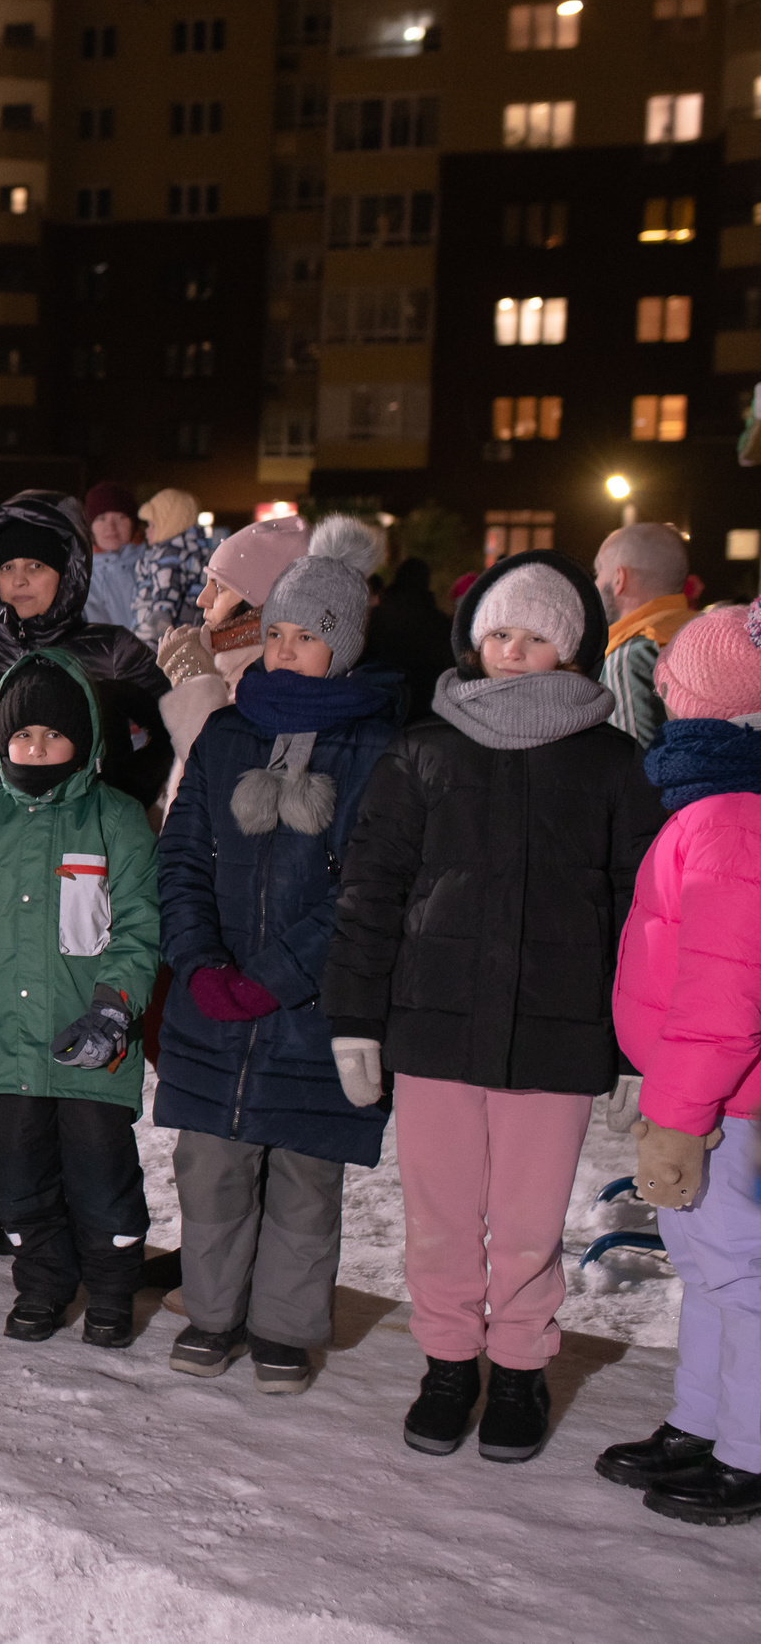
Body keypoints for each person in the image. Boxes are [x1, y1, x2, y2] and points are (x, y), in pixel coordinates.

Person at [323, 550, 666, 1463]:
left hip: (556, 1033)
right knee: (438, 1216)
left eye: (538, 635)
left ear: (572, 646)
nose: (515, 650)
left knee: (526, 1224)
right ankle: (446, 1362)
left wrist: (638, 1043)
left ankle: (518, 1367)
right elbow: (372, 888)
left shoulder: (611, 762)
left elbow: (644, 911)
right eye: (500, 633)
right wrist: (354, 1016)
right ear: (476, 643)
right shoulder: (424, 749)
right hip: (434, 1023)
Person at [154, 541, 400, 1394]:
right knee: (212, 1170)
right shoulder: (227, 731)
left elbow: (370, 887)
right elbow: (181, 854)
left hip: (312, 1011)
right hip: (212, 999)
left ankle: (286, 1330)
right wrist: (198, 961)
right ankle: (213, 1312)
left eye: (308, 636)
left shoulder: (375, 748)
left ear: (347, 645)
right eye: (280, 631)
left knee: (304, 1176)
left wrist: (281, 973)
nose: (287, 648)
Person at [0, 649, 161, 1346]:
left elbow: (140, 924)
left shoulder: (115, 818)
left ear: (83, 739)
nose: (37, 747)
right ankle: (44, 1284)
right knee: (20, 1179)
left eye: (54, 735)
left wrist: (112, 1008)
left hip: (88, 1045)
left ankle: (111, 1292)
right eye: (22, 735)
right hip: (6, 1040)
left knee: (100, 1177)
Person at [599, 602, 761, 1526]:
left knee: (742, 1274)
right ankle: (701, 1422)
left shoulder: (734, 819)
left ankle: (748, 1452)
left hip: (733, 1106)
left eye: (675, 682)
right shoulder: (712, 803)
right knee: (705, 1266)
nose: (659, 691)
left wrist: (682, 1111)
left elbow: (725, 993)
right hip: (702, 1098)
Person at [0, 491, 169, 803]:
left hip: (84, 839)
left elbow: (171, 729)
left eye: (35, 566)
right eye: (7, 567)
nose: (19, 580)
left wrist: (127, 794)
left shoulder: (113, 648)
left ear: (66, 575)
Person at [150, 515, 354, 814]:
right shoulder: (225, 663)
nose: (202, 599)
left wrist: (193, 678)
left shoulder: (277, 677)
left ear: (260, 601)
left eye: (219, 587)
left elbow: (222, 770)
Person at [593, 522, 696, 748]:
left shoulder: (629, 655)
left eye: (599, 572)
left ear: (619, 579)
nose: (596, 583)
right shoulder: (703, 633)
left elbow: (632, 766)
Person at [362, 557, 456, 727]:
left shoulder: (378, 617)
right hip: (426, 710)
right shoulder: (438, 622)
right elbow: (447, 664)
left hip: (380, 704)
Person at [132, 487, 216, 647]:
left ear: (168, 524)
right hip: (193, 637)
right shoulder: (196, 552)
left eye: (152, 525)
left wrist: (156, 637)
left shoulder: (168, 556)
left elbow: (165, 598)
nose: (147, 530)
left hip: (161, 644)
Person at [81, 482, 145, 632]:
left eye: (121, 517)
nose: (111, 527)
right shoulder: (80, 574)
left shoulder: (153, 563)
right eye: (101, 518)